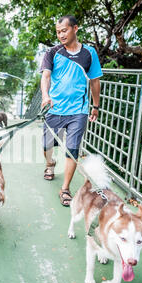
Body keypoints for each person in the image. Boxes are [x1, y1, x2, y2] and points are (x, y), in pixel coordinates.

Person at [40, 15, 102, 207]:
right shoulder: (52, 52)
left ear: (75, 28)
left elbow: (95, 81)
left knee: (72, 149)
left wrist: (96, 106)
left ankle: (65, 188)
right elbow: (46, 76)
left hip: (79, 110)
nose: (60, 35)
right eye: (58, 32)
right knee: (47, 145)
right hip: (55, 108)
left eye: (64, 31)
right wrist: (45, 96)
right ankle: (50, 164)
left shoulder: (89, 53)